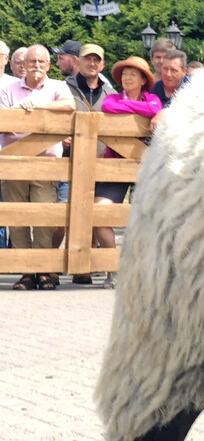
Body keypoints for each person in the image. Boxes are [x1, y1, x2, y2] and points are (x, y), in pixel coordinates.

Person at [0, 44, 76, 290]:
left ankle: (43, 269)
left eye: (41, 62)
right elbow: (5, 121)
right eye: (32, 61)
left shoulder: (58, 86)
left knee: (45, 216)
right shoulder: (7, 88)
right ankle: (26, 271)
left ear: (48, 65)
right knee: (17, 216)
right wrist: (25, 117)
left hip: (46, 163)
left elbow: (69, 105)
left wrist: (37, 106)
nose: (36, 65)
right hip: (14, 162)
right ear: (23, 65)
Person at [97, 56, 163, 289]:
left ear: (144, 80)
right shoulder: (113, 98)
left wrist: (134, 111)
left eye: (133, 74)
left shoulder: (153, 99)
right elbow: (108, 107)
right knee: (99, 211)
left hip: (144, 167)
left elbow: (155, 108)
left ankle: (142, 272)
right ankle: (112, 267)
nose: (128, 78)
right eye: (125, 74)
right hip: (115, 165)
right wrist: (141, 112)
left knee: (148, 216)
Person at [56, 43, 116, 281]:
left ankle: (84, 268)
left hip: (99, 161)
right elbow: (52, 118)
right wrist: (60, 136)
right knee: (61, 213)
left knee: (91, 214)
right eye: (87, 59)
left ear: (102, 65)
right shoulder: (63, 88)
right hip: (68, 161)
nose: (92, 64)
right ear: (78, 62)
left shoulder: (110, 93)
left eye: (96, 60)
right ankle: (49, 265)